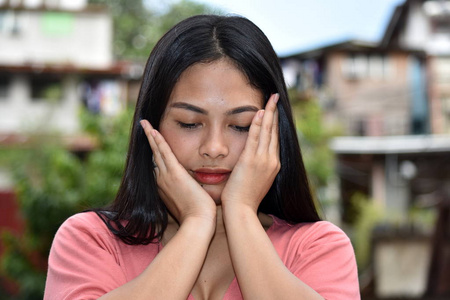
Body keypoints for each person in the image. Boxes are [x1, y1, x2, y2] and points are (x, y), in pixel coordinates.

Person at [44, 15, 360, 300]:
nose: (214, 147)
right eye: (190, 123)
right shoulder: (90, 241)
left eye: (240, 126)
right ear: (152, 126)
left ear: (275, 131)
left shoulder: (318, 248)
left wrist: (241, 213)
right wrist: (197, 223)